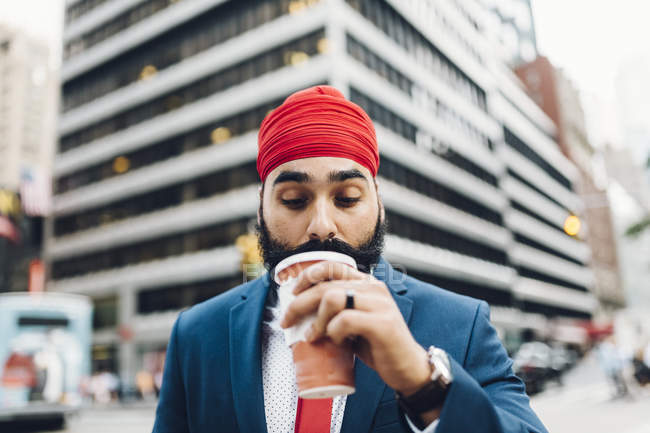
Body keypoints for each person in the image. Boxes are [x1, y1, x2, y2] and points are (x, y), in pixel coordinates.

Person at [152, 86, 547, 433]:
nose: (322, 226)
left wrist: (423, 383)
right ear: (261, 210)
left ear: (378, 204)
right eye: (294, 200)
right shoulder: (197, 334)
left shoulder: (462, 325)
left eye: (347, 198)